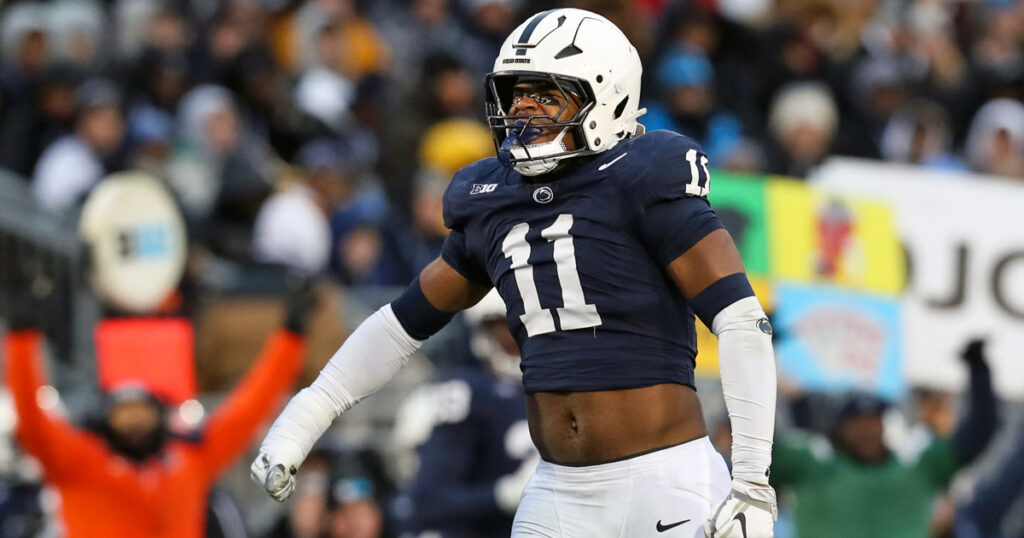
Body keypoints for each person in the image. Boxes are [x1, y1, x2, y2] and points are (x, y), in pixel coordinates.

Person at [252, 9, 777, 538]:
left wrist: (752, 480)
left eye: (548, 96)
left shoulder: (645, 177)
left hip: (667, 479)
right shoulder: (491, 199)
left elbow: (741, 322)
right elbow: (401, 324)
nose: (524, 111)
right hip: (558, 490)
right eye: (516, 95)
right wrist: (305, 417)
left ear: (610, 98)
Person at [2, 281, 314, 538]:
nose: (135, 421)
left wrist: (290, 338)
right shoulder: (80, 461)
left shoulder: (188, 460)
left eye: (143, 410)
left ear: (160, 415)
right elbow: (32, 420)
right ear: (107, 419)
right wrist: (21, 338)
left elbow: (248, 410)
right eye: (124, 412)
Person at [769, 339, 997, 538]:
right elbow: (759, 446)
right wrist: (761, 351)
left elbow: (974, 439)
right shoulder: (813, 464)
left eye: (874, 421)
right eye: (857, 423)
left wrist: (979, 374)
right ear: (840, 428)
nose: (867, 431)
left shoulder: (915, 466)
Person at [390, 290, 537, 537]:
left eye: (522, 326)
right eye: (504, 327)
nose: (514, 337)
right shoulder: (468, 392)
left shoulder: (563, 387)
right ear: (482, 332)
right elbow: (428, 500)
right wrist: (506, 494)